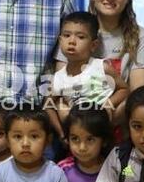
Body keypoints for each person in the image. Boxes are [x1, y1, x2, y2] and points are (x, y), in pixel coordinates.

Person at [47, 11, 128, 139]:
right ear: (60, 40)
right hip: (78, 134)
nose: (72, 41)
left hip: (104, 128)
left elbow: (124, 90)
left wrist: (109, 104)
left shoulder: (101, 67)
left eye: (80, 37)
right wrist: (62, 133)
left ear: (93, 45)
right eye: (67, 35)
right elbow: (48, 106)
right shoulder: (58, 78)